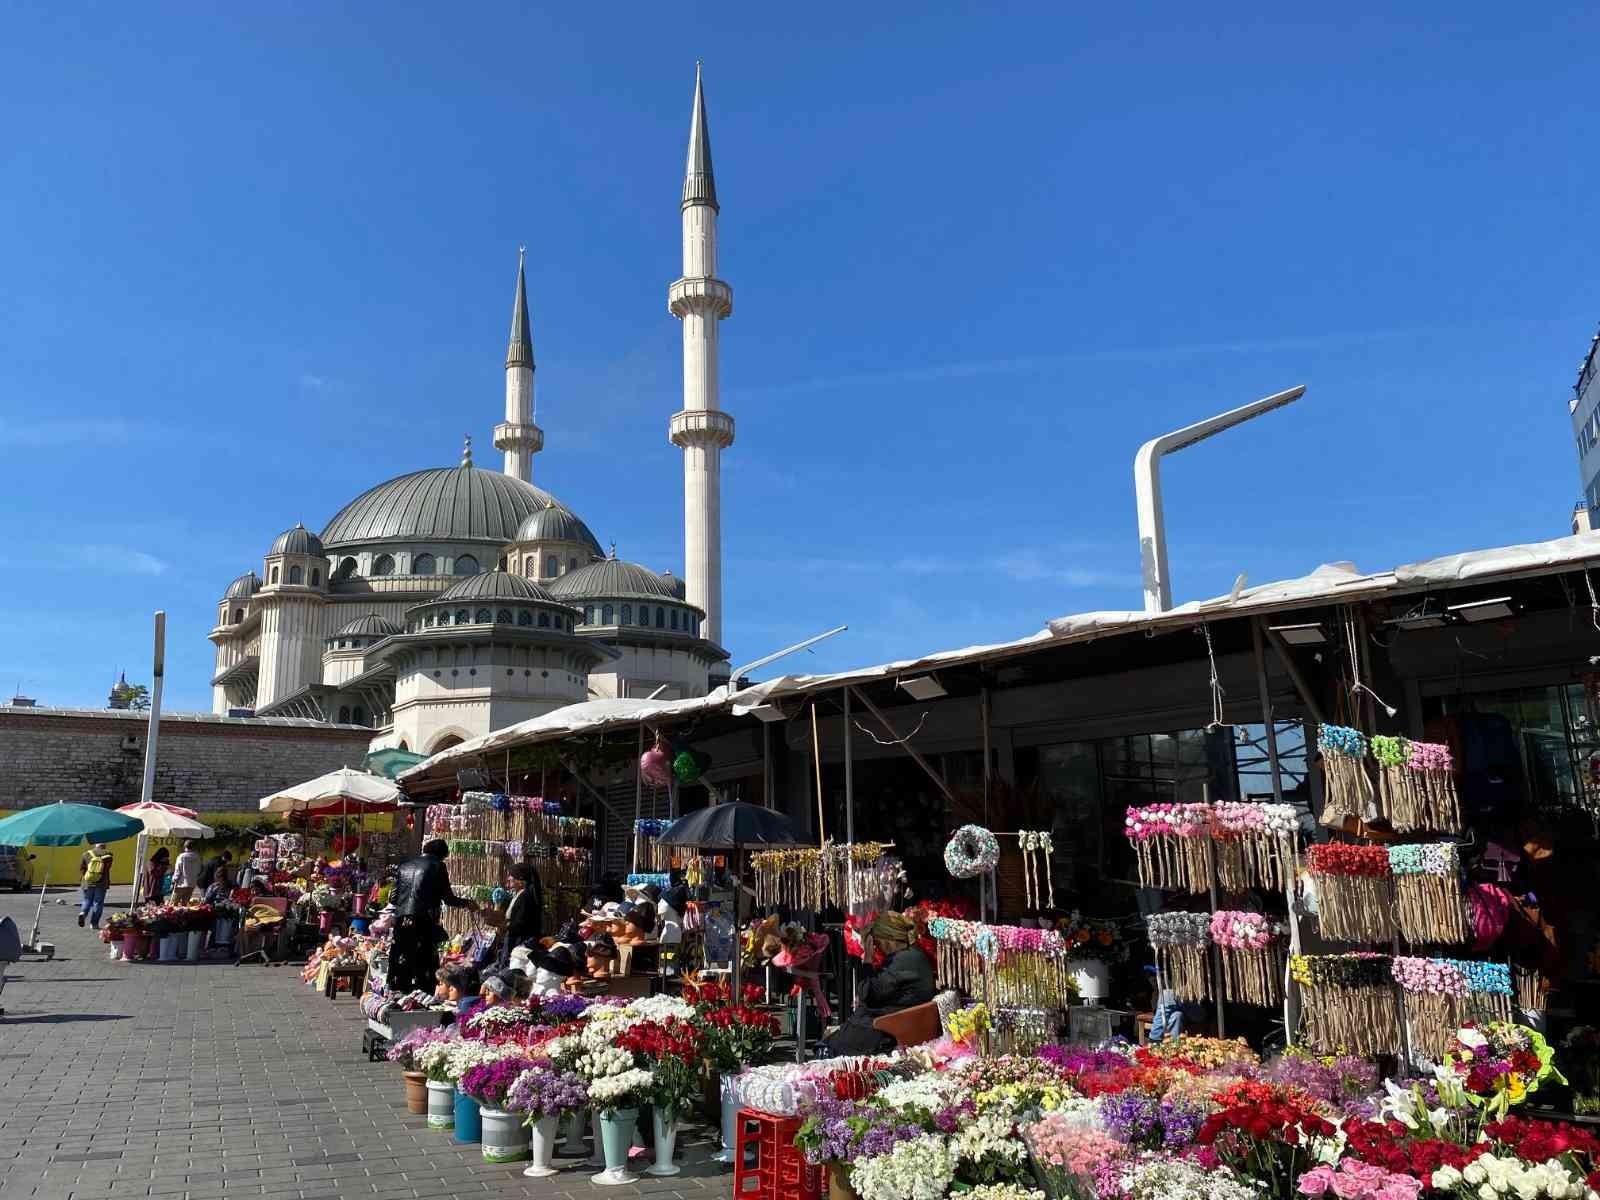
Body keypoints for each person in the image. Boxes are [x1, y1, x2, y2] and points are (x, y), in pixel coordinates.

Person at [820, 911, 935, 1057]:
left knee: (826, 1047)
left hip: (883, 1031)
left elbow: (866, 994)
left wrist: (867, 959)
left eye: (876, 941)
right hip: (894, 1022)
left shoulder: (900, 962)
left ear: (888, 940)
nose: (876, 946)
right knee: (833, 1038)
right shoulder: (914, 956)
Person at [389, 840, 478, 993]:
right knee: (425, 961)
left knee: (402, 958)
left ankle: (400, 992)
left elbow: (393, 897)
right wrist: (467, 903)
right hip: (423, 921)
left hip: (401, 919)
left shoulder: (404, 865)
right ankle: (423, 995)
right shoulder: (437, 865)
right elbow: (448, 898)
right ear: (442, 854)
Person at [496, 863, 544, 970]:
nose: (508, 878)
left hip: (519, 943)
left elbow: (521, 924)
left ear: (520, 880)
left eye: (511, 875)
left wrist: (503, 925)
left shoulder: (525, 897)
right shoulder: (519, 895)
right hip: (516, 941)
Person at [78, 843, 114, 929]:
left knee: (87, 900)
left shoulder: (86, 854)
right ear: (104, 845)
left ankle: (83, 913)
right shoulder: (109, 855)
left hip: (87, 882)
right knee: (98, 903)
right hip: (101, 883)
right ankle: (94, 924)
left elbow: (82, 868)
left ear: (95, 845)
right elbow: (107, 868)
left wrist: (88, 877)